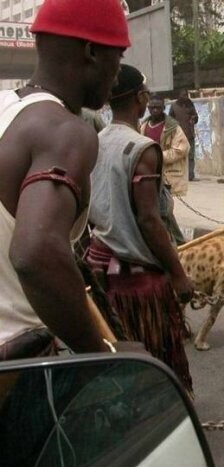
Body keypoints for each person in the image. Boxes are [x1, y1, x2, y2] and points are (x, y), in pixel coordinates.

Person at [0, 0, 131, 359]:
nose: (117, 75)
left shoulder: (6, 109)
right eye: (117, 58)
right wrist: (100, 355)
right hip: (17, 367)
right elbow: (35, 252)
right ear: (91, 51)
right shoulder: (65, 131)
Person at [86, 65, 195, 393]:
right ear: (141, 98)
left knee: (118, 354)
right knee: (155, 355)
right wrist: (178, 273)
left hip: (101, 267)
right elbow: (149, 219)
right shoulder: (141, 148)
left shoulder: (97, 140)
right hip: (138, 279)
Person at [141, 94, 190, 244]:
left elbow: (182, 149)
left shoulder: (172, 127)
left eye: (157, 107)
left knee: (165, 210)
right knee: (156, 211)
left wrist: (158, 156)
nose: (154, 110)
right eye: (151, 107)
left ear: (163, 108)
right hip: (148, 175)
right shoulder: (143, 126)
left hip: (166, 175)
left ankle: (178, 242)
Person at [169, 89, 199, 181]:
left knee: (190, 156)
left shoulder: (190, 105)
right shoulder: (174, 106)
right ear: (179, 96)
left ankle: (190, 175)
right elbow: (170, 120)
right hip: (178, 136)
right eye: (183, 95)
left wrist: (194, 119)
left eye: (186, 95)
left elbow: (196, 117)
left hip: (189, 134)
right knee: (179, 156)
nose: (185, 97)